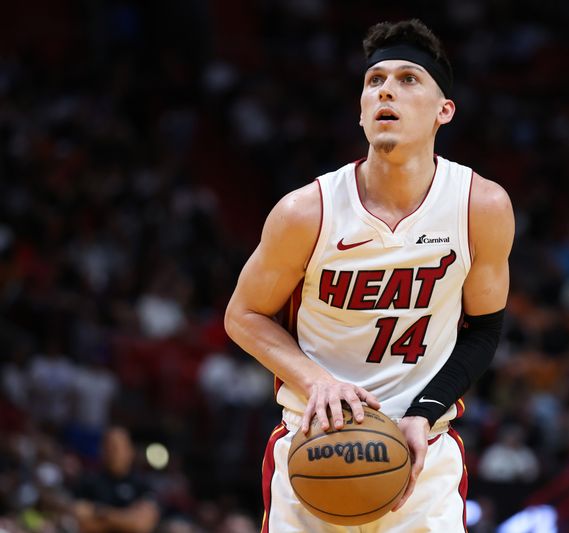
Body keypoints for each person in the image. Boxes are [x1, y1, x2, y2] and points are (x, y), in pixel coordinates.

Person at [225, 19, 514, 532]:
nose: (386, 90)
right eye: (374, 81)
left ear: (443, 111)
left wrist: (424, 413)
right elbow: (242, 315)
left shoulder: (480, 207)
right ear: (361, 112)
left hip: (422, 454)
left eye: (408, 79)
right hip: (315, 448)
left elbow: (485, 329)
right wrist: (318, 382)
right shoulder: (306, 212)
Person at [71, 426, 160, 533]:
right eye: (107, 447)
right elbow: (81, 524)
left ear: (130, 451)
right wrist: (126, 519)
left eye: (116, 447)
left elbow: (141, 525)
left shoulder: (143, 485)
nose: (112, 452)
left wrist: (98, 511)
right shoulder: (88, 481)